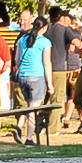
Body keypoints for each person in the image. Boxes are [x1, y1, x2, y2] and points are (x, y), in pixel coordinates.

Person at [13, 15, 50, 143]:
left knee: (29, 106)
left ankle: (19, 127)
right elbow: (47, 63)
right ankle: (29, 138)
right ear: (44, 28)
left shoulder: (22, 39)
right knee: (34, 109)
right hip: (37, 76)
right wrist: (50, 84)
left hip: (23, 76)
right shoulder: (45, 42)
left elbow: (16, 59)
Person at [43, 7, 82, 125]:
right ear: (62, 18)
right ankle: (53, 127)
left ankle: (37, 124)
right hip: (58, 69)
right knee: (57, 99)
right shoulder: (65, 30)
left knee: (42, 99)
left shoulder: (46, 28)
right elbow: (77, 44)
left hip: (43, 68)